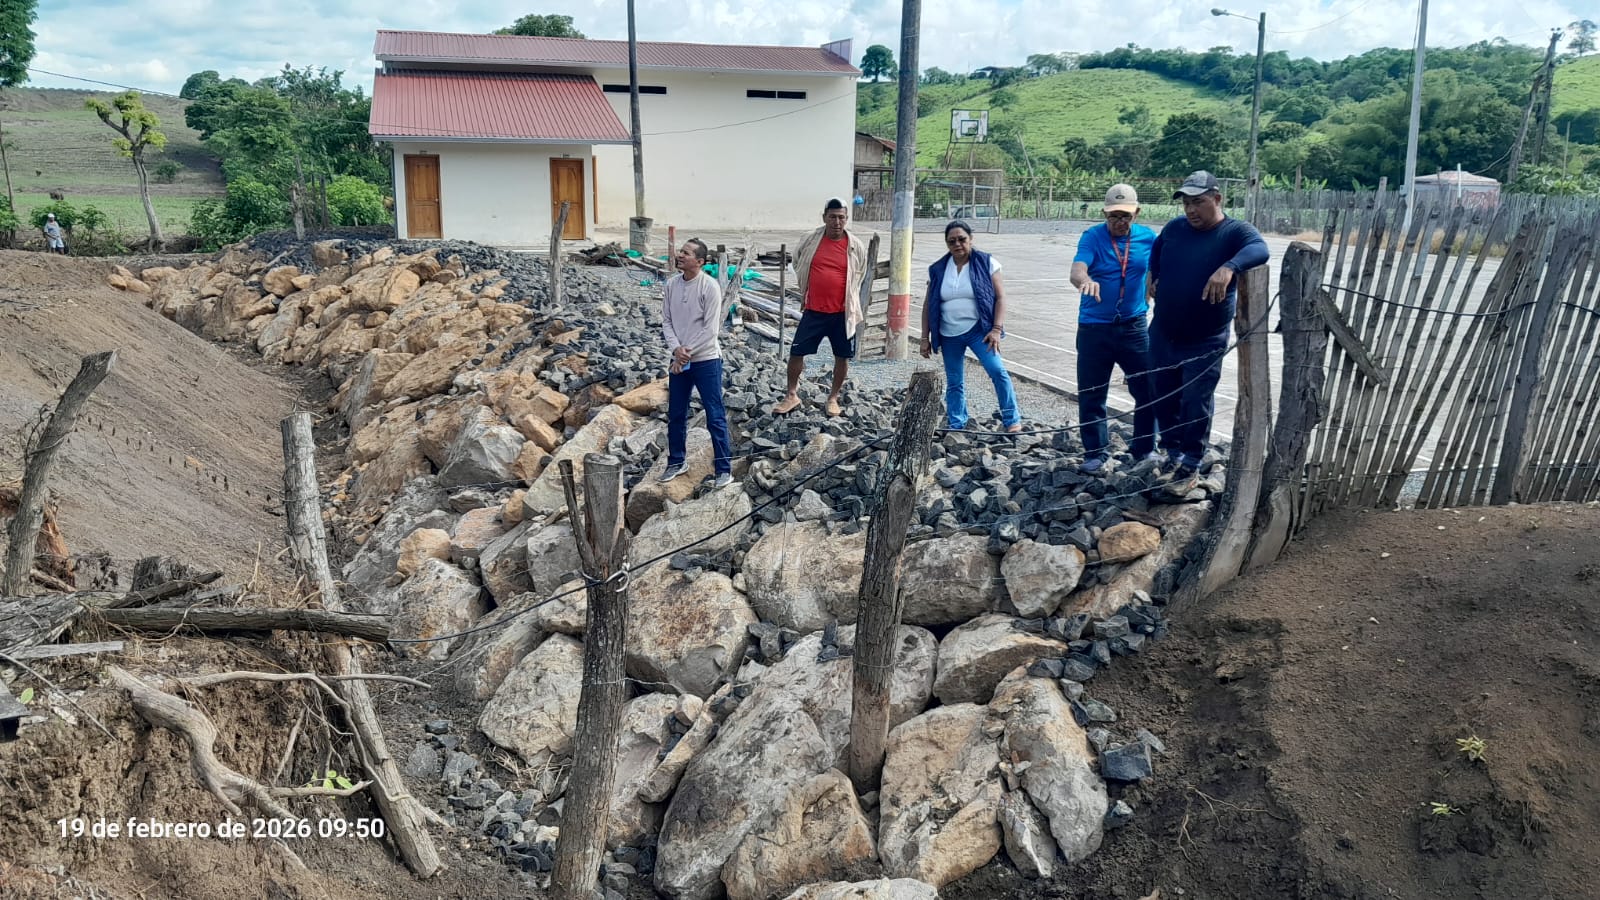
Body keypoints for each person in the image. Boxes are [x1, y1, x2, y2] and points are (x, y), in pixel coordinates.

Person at [1147, 171, 1270, 493]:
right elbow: (1157, 250)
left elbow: (1260, 249)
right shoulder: (1175, 228)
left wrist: (1229, 267)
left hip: (1204, 339)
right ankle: (1171, 452)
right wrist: (1152, 274)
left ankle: (1191, 461)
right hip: (1163, 333)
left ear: (1217, 198)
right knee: (1162, 396)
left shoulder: (1234, 232)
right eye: (1186, 203)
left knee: (1195, 401)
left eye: (1198, 202)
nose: (1191, 210)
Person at [1070, 183, 1158, 473]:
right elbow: (1077, 269)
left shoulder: (1148, 238)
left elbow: (1158, 268)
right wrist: (1085, 281)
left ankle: (1145, 448)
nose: (1120, 222)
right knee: (1092, 392)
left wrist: (1155, 289)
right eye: (1114, 216)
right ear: (1104, 214)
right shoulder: (1092, 237)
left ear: (1137, 213)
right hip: (1095, 328)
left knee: (1147, 388)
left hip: (1133, 326)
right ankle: (1095, 452)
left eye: (1126, 216)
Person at [919, 221, 1022, 432]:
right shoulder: (938, 269)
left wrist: (996, 329)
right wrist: (924, 337)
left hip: (980, 331)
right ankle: (957, 424)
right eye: (952, 241)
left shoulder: (987, 263)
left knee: (997, 371)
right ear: (947, 244)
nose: (957, 244)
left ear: (971, 239)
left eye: (962, 239)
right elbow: (928, 305)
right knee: (954, 381)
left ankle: (1011, 419)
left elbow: (1001, 298)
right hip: (948, 333)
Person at [773, 199, 868, 417]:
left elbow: (860, 272)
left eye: (841, 217)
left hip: (842, 314)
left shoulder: (855, 246)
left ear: (846, 219)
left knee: (842, 356)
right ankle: (791, 394)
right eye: (832, 217)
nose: (837, 222)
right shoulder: (810, 240)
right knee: (797, 351)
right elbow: (798, 261)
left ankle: (833, 398)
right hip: (814, 311)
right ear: (824, 217)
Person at [661, 238, 734, 488]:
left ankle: (724, 468)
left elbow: (710, 330)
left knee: (715, 414)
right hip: (679, 358)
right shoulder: (671, 285)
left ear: (700, 261)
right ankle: (676, 461)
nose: (680, 255)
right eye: (681, 251)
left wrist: (685, 354)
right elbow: (666, 321)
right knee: (676, 413)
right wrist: (676, 350)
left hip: (706, 359)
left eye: (687, 253)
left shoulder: (709, 286)